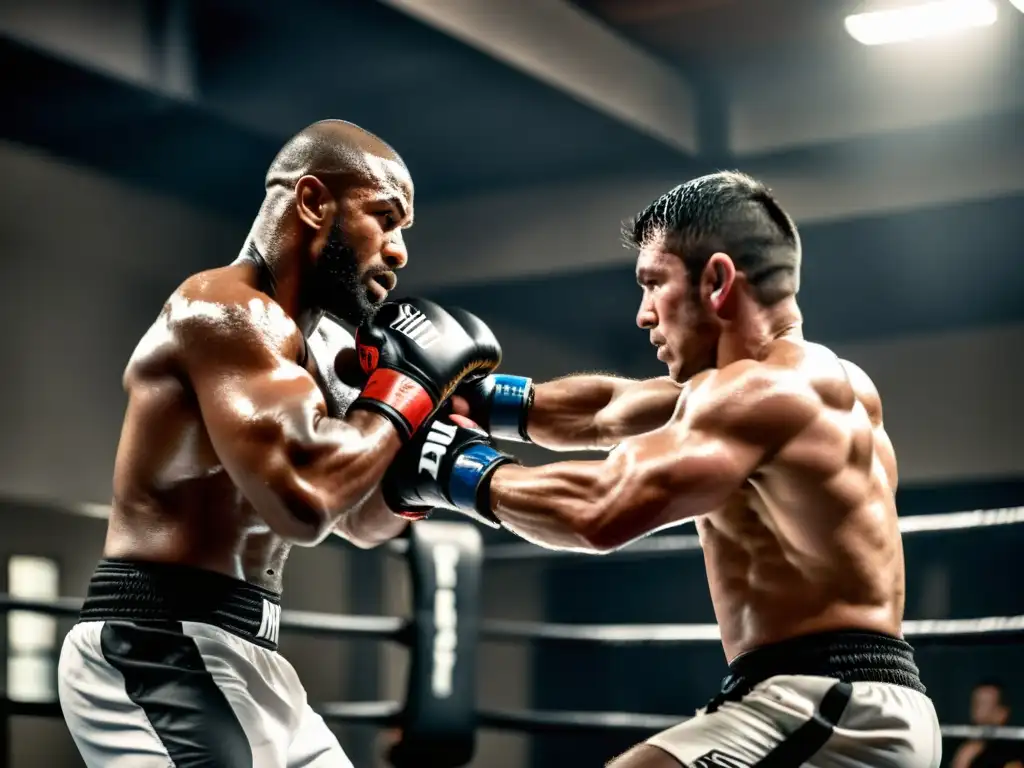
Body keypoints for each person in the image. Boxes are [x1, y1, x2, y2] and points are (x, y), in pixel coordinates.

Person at [382, 171, 943, 767]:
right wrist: (476, 395)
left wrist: (448, 465)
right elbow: (606, 409)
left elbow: (599, 510)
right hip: (835, 701)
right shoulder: (797, 382)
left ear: (718, 281)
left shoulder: (765, 392)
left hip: (830, 705)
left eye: (654, 284)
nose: (644, 315)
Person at [57, 119, 501, 768]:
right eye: (385, 217)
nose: (400, 250)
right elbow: (306, 498)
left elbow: (357, 520)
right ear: (315, 201)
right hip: (158, 646)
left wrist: (420, 471)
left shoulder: (323, 348)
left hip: (249, 653)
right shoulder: (222, 310)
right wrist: (410, 388)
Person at [951, 681, 1023, 768]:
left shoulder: (1014, 752)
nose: (978, 710)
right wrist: (963, 759)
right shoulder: (958, 745)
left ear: (1002, 712)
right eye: (976, 703)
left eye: (984, 703)